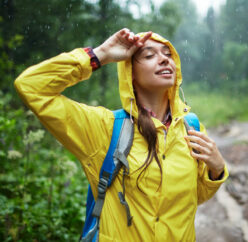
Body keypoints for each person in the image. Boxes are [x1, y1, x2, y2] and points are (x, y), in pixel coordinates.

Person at [14, 28, 229, 241]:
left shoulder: (191, 128)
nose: (164, 60)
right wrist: (99, 55)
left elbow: (192, 198)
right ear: (130, 74)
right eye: (149, 55)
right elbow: (31, 87)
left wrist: (216, 170)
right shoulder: (103, 129)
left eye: (167, 53)